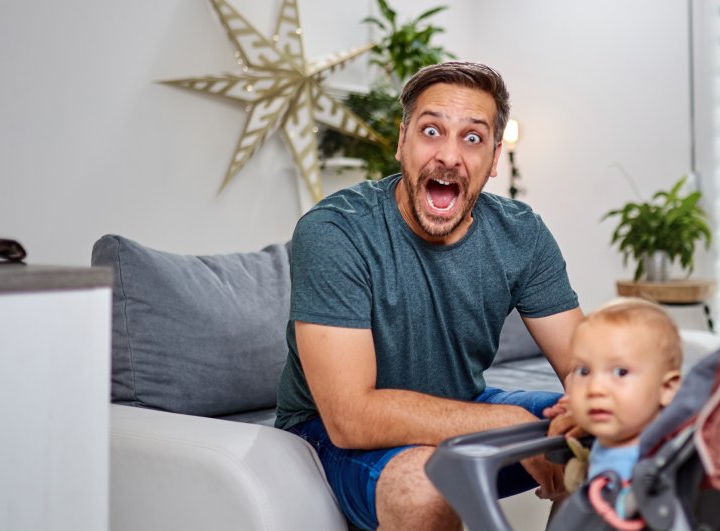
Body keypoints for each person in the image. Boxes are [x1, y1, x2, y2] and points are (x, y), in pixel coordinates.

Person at [274, 61, 583, 530]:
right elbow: (350, 417)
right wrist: (503, 422)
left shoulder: (521, 235)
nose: (449, 157)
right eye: (432, 131)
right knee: (428, 488)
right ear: (402, 143)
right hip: (326, 433)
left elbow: (586, 369)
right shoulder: (336, 231)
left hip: (459, 403)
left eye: (473, 138)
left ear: (495, 158)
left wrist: (591, 411)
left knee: (606, 434)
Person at [564, 298, 683, 483]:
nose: (595, 388)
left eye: (621, 372)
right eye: (584, 371)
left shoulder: (650, 469)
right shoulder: (611, 441)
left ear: (667, 388)